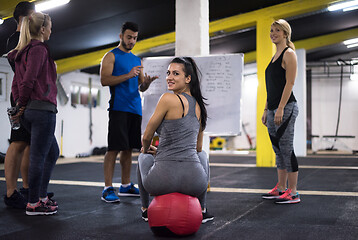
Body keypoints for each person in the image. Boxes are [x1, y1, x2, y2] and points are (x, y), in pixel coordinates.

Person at [137, 57, 214, 224]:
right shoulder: (199, 106)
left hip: (162, 182)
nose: (169, 77)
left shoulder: (167, 98)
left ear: (188, 79)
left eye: (176, 74)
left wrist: (147, 149)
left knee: (143, 155)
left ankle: (145, 210)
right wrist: (163, 152)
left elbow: (146, 136)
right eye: (168, 73)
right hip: (195, 183)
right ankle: (202, 209)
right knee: (202, 156)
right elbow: (198, 147)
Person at [8, 11, 59, 215]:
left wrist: (20, 106)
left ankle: (41, 196)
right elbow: (28, 80)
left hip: (32, 110)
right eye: (50, 28)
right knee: (38, 156)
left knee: (52, 152)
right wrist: (21, 106)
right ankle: (34, 203)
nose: (51, 31)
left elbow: (15, 84)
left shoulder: (22, 51)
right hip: (41, 109)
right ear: (42, 29)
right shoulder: (39, 49)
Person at [100, 22, 158, 203]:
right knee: (113, 149)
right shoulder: (111, 56)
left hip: (135, 109)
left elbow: (140, 87)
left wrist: (146, 83)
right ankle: (107, 188)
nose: (132, 41)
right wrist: (128, 75)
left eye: (135, 38)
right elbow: (104, 80)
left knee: (128, 149)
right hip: (118, 108)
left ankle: (125, 186)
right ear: (121, 36)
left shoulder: (137, 59)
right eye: (129, 37)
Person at [261, 19, 300, 204]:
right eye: (271, 30)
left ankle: (293, 192)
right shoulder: (274, 56)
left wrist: (281, 108)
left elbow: (289, 83)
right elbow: (272, 88)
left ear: (285, 33)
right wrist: (266, 109)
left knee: (286, 149)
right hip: (273, 108)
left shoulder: (289, 54)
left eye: (277, 30)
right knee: (278, 151)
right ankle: (281, 188)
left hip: (286, 107)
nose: (273, 33)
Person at [3, 1, 34, 209]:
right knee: (17, 143)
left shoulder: (27, 39)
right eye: (34, 16)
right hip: (20, 97)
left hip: (31, 98)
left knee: (29, 145)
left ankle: (27, 188)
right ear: (25, 17)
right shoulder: (15, 40)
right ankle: (11, 192)